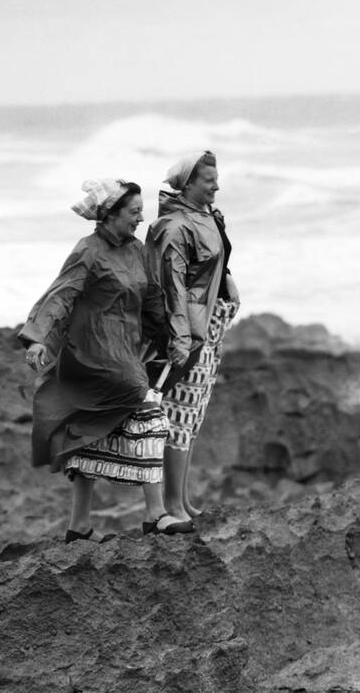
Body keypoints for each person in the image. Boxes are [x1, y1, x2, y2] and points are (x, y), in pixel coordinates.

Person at [19, 178, 195, 541]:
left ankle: (78, 527)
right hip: (91, 355)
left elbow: (152, 301)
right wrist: (37, 340)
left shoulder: (137, 251)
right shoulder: (88, 250)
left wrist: (175, 340)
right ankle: (156, 514)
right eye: (133, 212)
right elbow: (61, 295)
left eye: (140, 211)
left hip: (125, 352)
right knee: (150, 414)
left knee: (89, 433)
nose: (140, 218)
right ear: (110, 214)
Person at [146, 151, 240, 523]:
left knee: (193, 416)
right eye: (208, 180)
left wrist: (228, 287)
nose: (217, 184)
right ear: (187, 184)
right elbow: (171, 286)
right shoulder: (173, 226)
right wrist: (180, 337)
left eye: (217, 178)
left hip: (210, 326)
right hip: (187, 330)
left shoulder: (208, 217)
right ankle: (170, 505)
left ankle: (181, 501)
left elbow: (217, 264)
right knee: (177, 416)